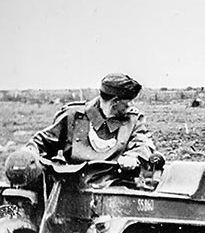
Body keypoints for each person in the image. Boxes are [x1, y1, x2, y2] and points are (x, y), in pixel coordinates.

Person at [26, 73, 164, 170]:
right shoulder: (73, 116)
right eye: (127, 102)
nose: (131, 106)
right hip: (74, 185)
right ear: (115, 102)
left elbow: (143, 143)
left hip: (118, 184)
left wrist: (132, 157)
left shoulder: (133, 119)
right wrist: (28, 154)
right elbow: (42, 141)